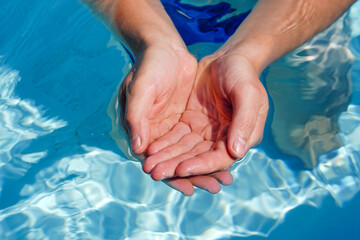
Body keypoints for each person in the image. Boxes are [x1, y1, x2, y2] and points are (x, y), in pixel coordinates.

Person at [84, 0, 355, 195]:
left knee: (304, 136)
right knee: (131, 132)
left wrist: (249, 52)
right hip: (147, 10)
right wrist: (152, 40)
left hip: (298, 11)